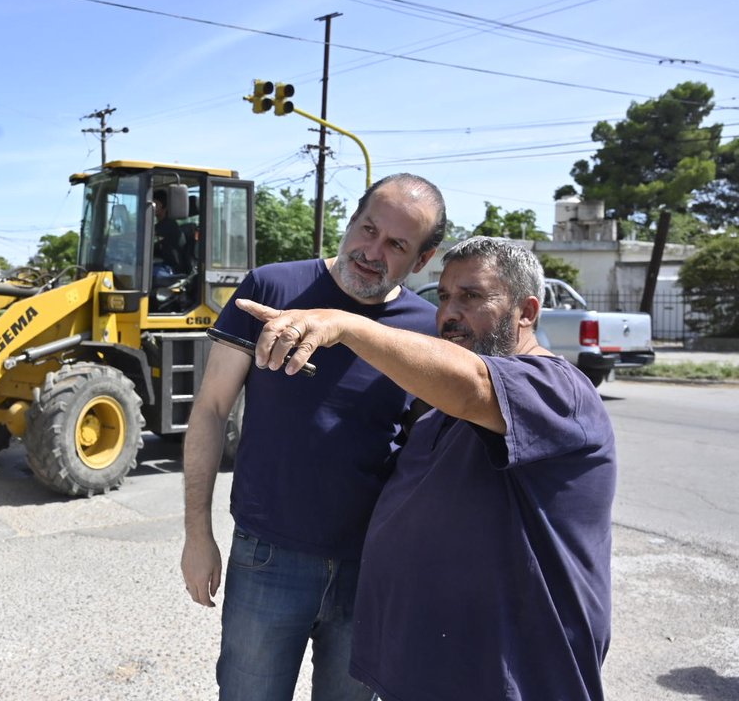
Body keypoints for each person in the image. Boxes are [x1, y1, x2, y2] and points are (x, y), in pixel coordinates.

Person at [237, 236, 615, 701]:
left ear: (527, 311)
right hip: (428, 670)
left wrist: (345, 324)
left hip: (509, 676)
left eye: (472, 297)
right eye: (444, 297)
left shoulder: (558, 390)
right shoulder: (439, 411)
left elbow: (472, 384)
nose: (449, 313)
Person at [181, 174, 447, 701]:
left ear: (421, 260)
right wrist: (197, 533)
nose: (372, 251)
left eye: (396, 244)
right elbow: (211, 409)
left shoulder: (426, 329)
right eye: (368, 229)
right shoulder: (271, 288)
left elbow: (426, 451)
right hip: (267, 559)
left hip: (371, 569)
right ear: (350, 221)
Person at [152, 188, 187, 279]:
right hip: (162, 264)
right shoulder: (160, 225)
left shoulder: (169, 225)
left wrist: (118, 238)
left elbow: (144, 234)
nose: (151, 207)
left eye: (154, 204)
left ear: (164, 206)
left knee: (145, 274)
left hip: (171, 269)